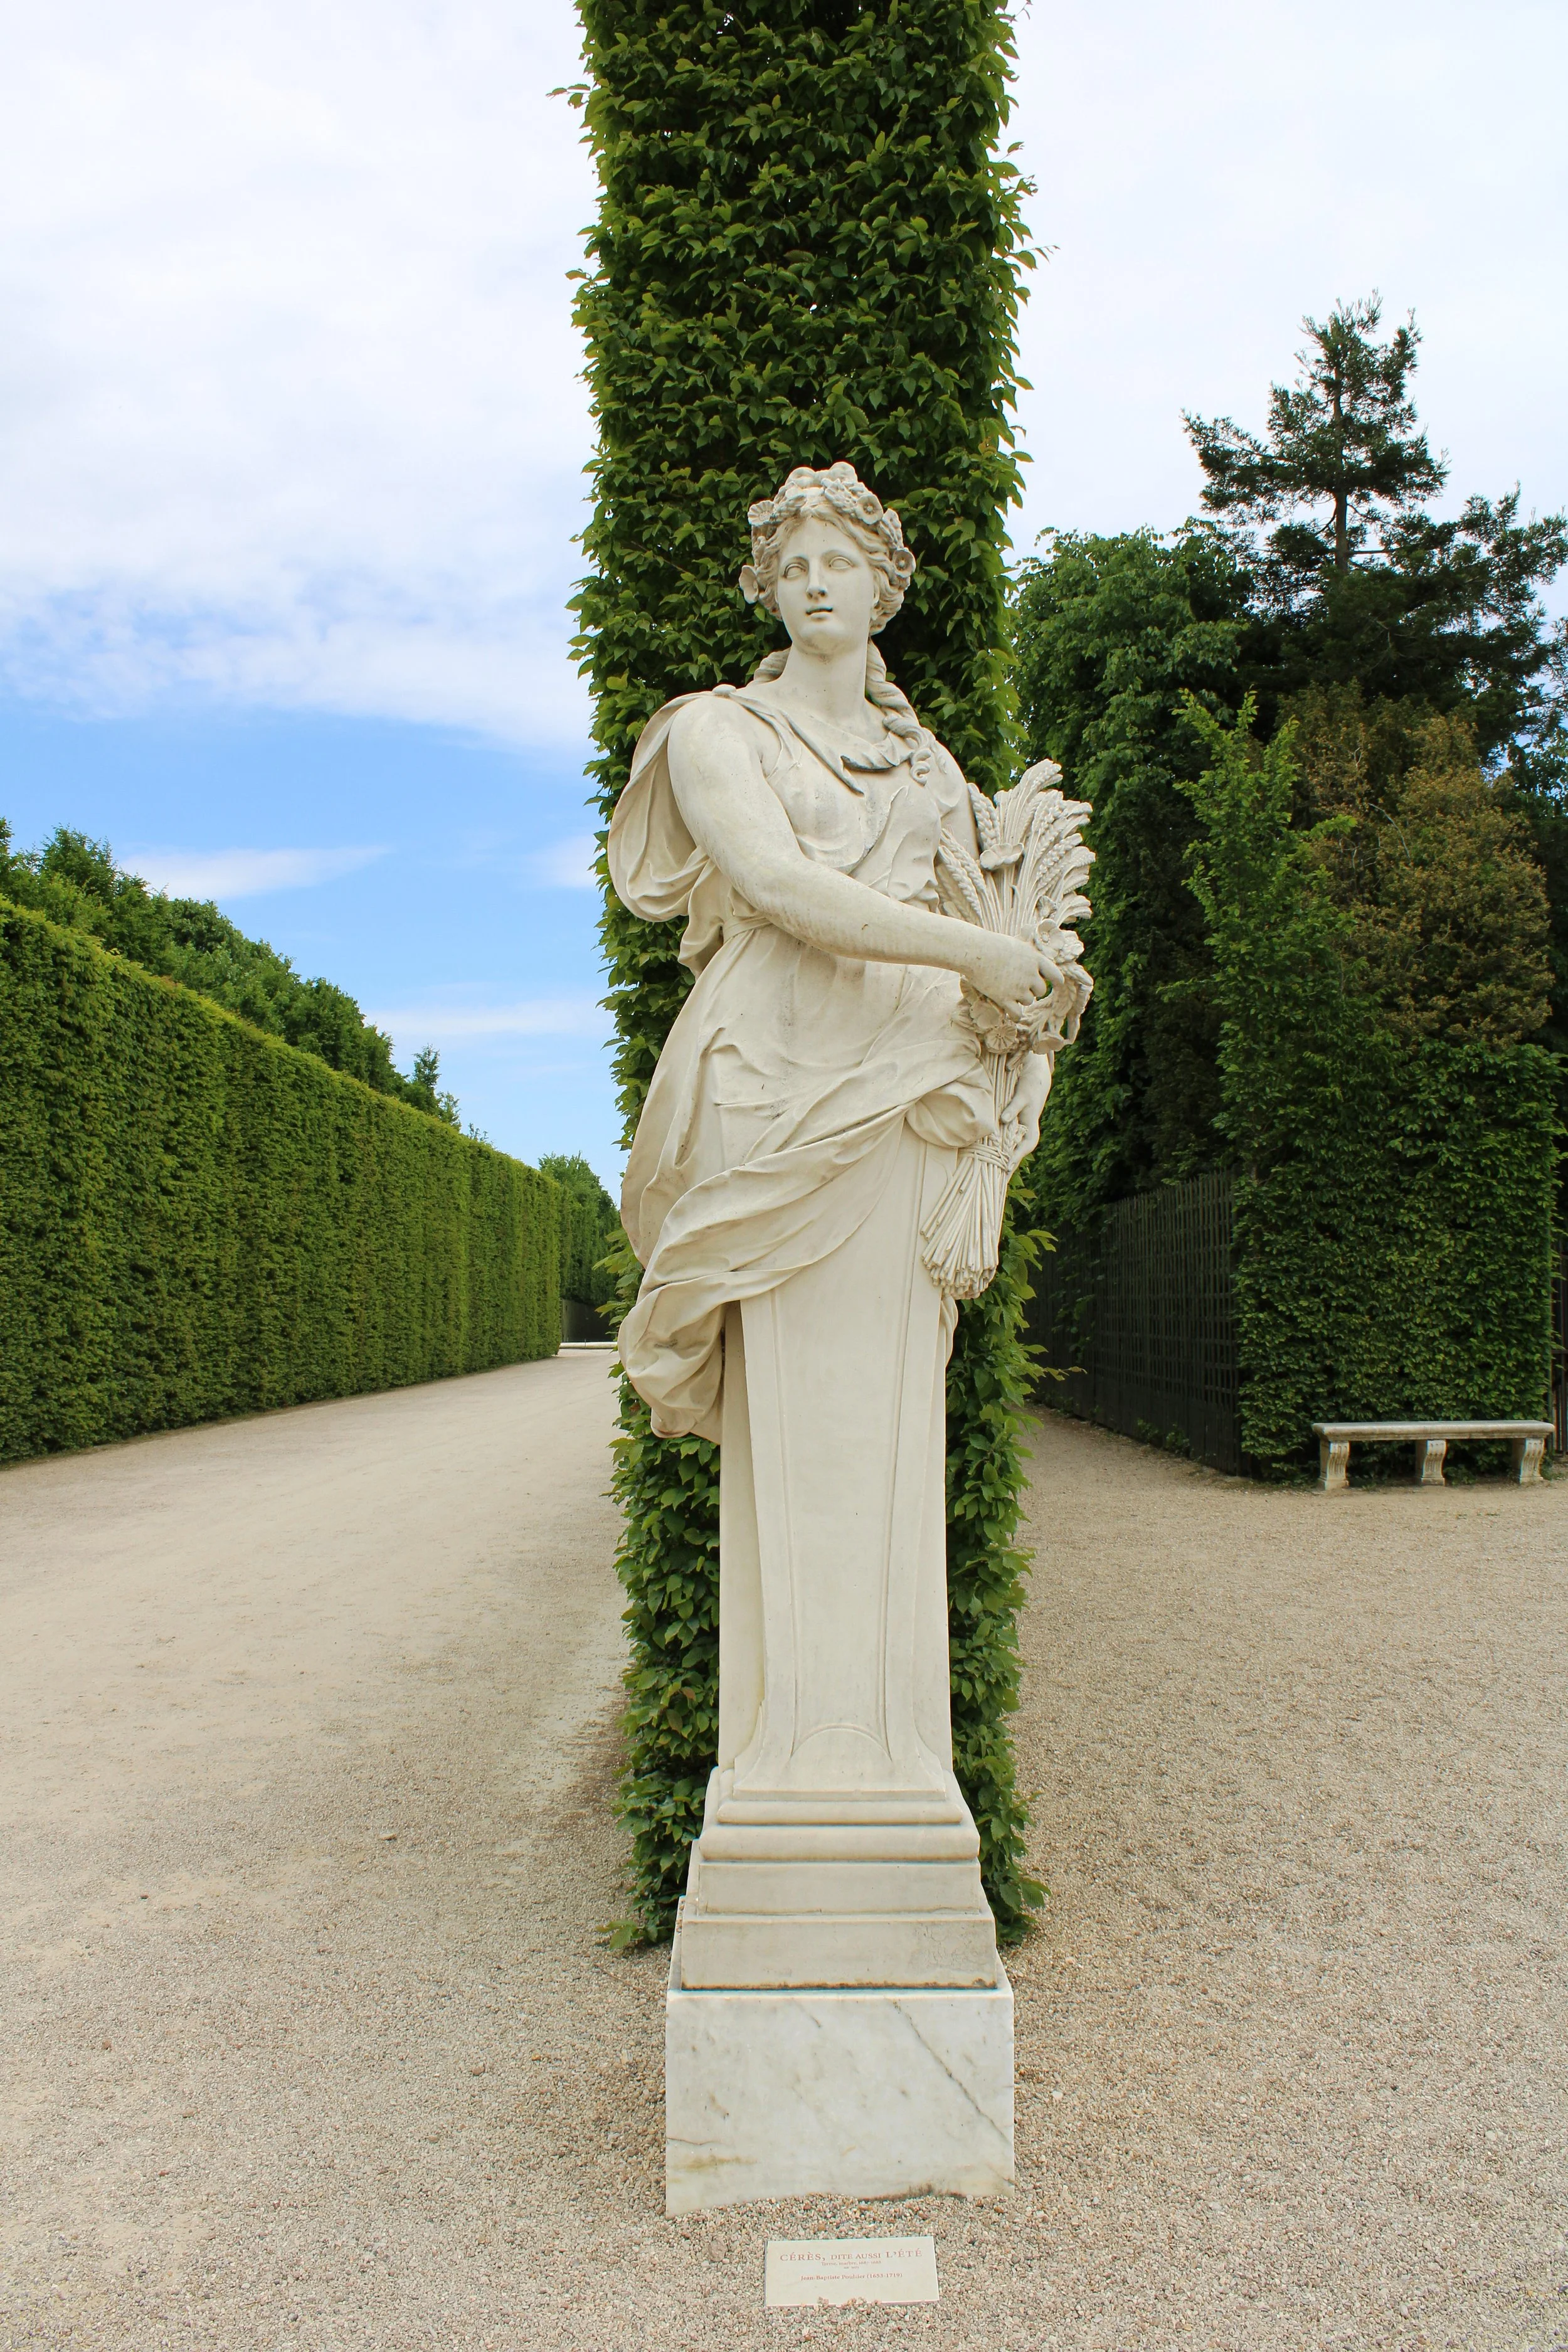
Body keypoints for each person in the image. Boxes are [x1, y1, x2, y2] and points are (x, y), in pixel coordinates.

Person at [608, 462, 1062, 1983]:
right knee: (795, 1445)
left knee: (882, 1441)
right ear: (769, 588)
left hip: (902, 1115)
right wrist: (977, 962)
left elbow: (1011, 966)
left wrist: (1010, 1084)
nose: (813, 580)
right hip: (772, 1097)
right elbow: (783, 887)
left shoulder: (932, 778)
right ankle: (796, 1798)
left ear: (883, 584)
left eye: (840, 559)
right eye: (789, 560)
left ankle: (879, 1796)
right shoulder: (712, 732)